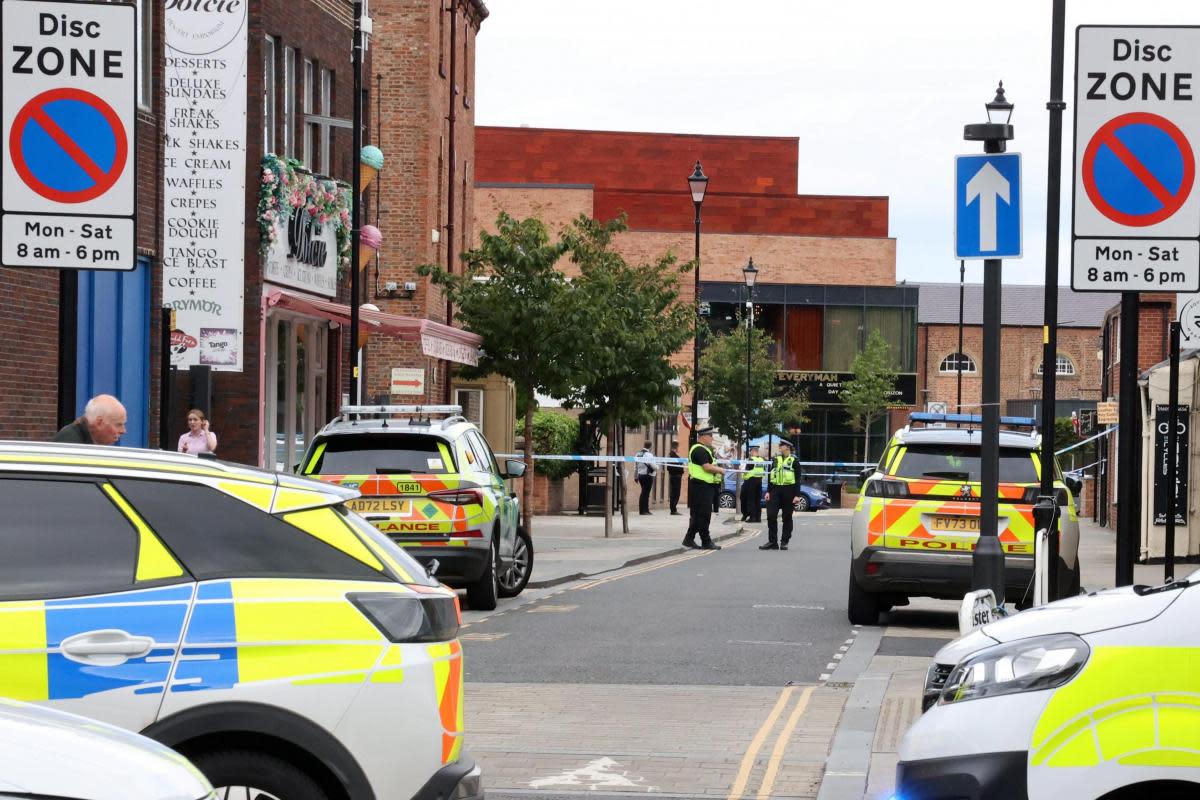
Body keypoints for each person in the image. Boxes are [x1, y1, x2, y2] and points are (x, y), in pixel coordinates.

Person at [682, 427, 724, 550]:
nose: (712, 438)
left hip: (704, 486)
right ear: (703, 436)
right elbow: (707, 467)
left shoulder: (704, 449)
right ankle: (706, 541)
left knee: (698, 515)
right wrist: (720, 470)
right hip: (701, 486)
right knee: (704, 515)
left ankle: (689, 539)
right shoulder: (699, 450)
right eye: (710, 436)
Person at [761, 440, 799, 550]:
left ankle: (784, 541)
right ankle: (773, 542)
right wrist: (768, 491)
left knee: (787, 517)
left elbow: (798, 479)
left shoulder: (794, 461)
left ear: (787, 447)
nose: (779, 446)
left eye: (781, 445)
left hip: (789, 491)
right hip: (775, 490)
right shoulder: (775, 459)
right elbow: (771, 476)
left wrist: (797, 495)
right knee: (771, 516)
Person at [52, 394, 127, 446]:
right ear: (99, 423)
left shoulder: (85, 443)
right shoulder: (70, 444)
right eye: (118, 425)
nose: (123, 431)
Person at [740, 445, 767, 523]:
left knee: (750, 500)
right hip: (759, 481)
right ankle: (758, 518)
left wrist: (742, 470)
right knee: (757, 500)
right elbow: (764, 470)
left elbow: (746, 471)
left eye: (750, 451)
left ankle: (752, 517)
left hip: (750, 481)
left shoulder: (751, 460)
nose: (750, 452)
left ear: (752, 451)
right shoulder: (762, 460)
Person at [634, 441, 656, 515]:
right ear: (650, 446)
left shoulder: (638, 454)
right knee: (646, 493)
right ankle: (644, 510)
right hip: (648, 475)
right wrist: (657, 467)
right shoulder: (649, 455)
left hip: (640, 475)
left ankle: (644, 510)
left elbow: (635, 466)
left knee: (643, 492)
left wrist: (635, 476)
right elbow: (653, 465)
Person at [666, 441, 685, 515]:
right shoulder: (673, 456)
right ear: (676, 447)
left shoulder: (672, 455)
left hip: (675, 476)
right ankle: (673, 510)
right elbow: (670, 468)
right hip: (676, 476)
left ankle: (673, 509)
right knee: (675, 493)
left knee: (674, 493)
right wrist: (681, 469)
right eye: (678, 447)